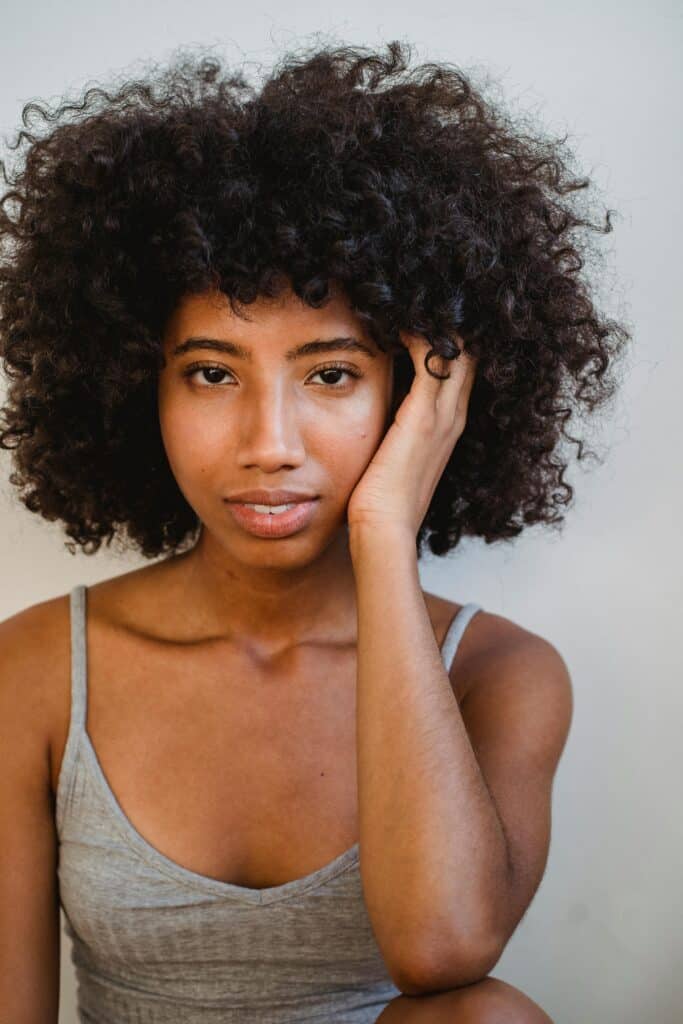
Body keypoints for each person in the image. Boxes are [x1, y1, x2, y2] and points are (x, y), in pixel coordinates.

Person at [0, 39, 629, 1023]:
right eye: (211, 372)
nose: (268, 444)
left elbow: (443, 947)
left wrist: (383, 530)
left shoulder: (498, 675)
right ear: (136, 384)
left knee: (484, 1015)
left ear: (417, 392)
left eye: (330, 373)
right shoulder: (37, 667)